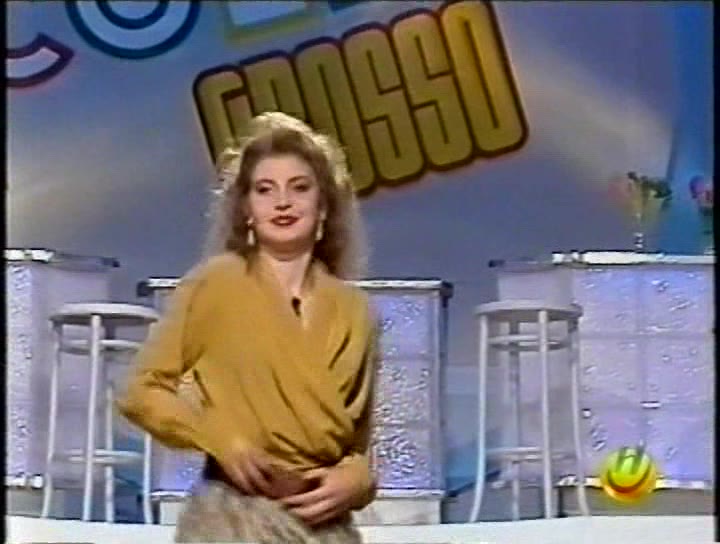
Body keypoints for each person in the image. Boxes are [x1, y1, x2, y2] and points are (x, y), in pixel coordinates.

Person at [117, 111, 378, 543]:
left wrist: (360, 479)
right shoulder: (216, 285)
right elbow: (140, 391)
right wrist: (218, 436)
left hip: (324, 526)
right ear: (247, 210)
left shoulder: (354, 310)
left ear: (324, 206)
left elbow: (358, 441)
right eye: (265, 189)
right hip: (232, 520)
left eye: (300, 188)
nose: (282, 202)